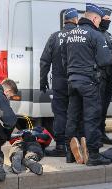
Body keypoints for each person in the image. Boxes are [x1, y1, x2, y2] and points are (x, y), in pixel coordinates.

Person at [62, 3, 112, 166]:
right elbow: (105, 60)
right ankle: (94, 155)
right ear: (95, 18)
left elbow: (64, 59)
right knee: (92, 118)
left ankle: (69, 154)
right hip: (89, 82)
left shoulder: (70, 34)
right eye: (99, 21)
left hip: (72, 80)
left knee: (72, 117)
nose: (99, 24)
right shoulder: (96, 35)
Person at [40, 8, 79, 157]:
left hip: (59, 82)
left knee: (60, 113)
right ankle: (74, 145)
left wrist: (42, 81)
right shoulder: (80, 35)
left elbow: (44, 61)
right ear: (75, 20)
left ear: (64, 21)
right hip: (76, 80)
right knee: (75, 113)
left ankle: (61, 146)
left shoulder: (54, 37)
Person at [98, 7, 112, 145]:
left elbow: (111, 53)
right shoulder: (95, 34)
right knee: (97, 107)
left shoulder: (108, 35)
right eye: (106, 19)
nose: (108, 22)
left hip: (108, 74)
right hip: (99, 76)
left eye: (109, 20)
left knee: (104, 107)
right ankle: (95, 135)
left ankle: (101, 133)